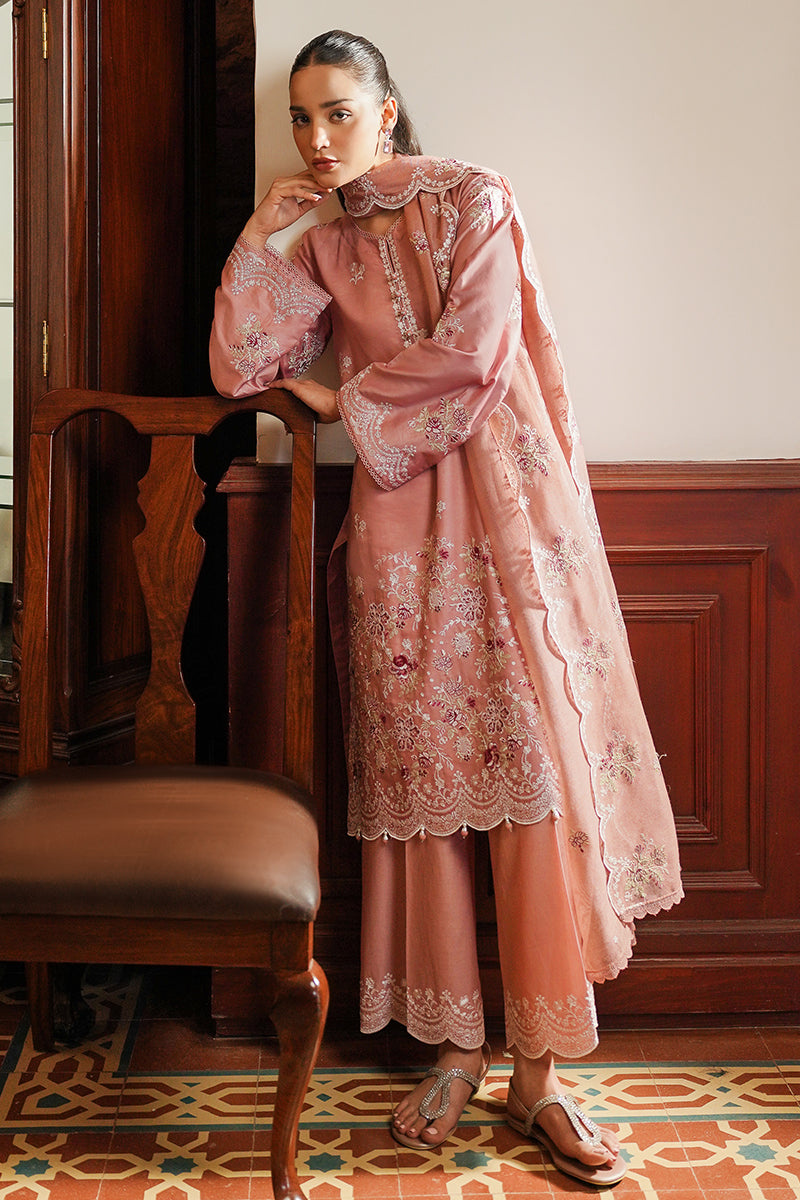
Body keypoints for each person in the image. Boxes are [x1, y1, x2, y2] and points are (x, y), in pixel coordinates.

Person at [210, 29, 683, 1188]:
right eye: (300, 118)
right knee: (422, 792)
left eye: (337, 112)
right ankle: (453, 1051)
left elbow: (476, 352)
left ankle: (540, 1079)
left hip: (505, 518)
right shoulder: (321, 240)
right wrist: (262, 234)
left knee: (531, 791)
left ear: (385, 110)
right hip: (389, 530)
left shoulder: (475, 196)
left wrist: (344, 399)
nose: (317, 139)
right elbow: (237, 363)